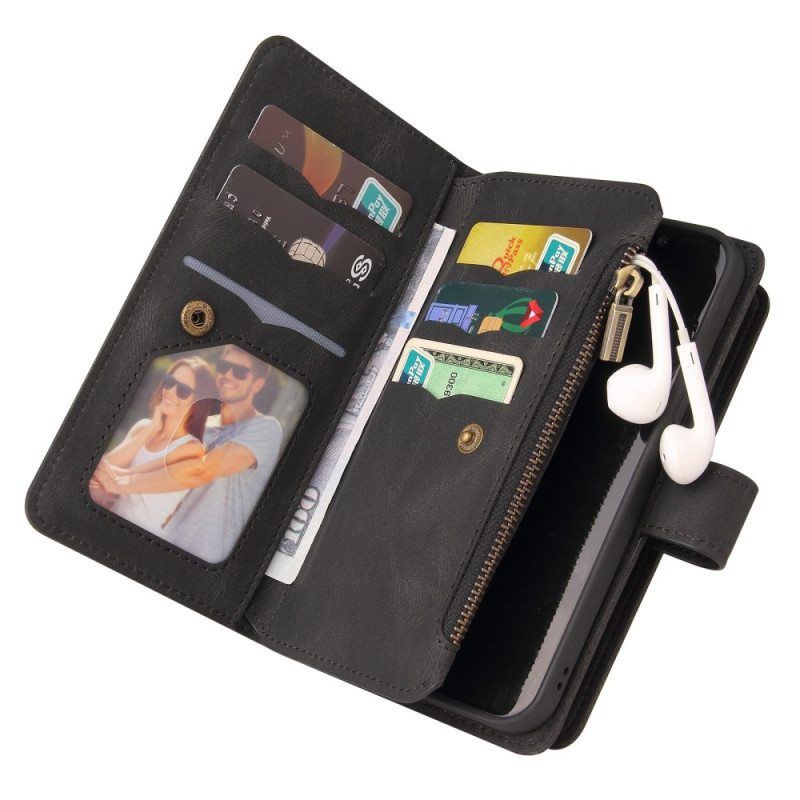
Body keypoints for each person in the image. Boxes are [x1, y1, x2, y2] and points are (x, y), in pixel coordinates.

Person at [95, 346, 283, 563]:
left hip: (213, 557)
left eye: (240, 372)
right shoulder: (203, 429)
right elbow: (165, 465)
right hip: (169, 543)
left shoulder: (265, 428)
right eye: (224, 367)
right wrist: (117, 475)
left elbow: (200, 469)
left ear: (258, 384)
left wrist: (119, 483)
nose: (228, 375)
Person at [89, 357, 217, 535]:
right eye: (169, 382)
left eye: (183, 390)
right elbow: (100, 467)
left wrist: (104, 474)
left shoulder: (192, 448)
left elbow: (121, 474)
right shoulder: (143, 427)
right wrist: (151, 429)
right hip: (108, 523)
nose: (170, 391)